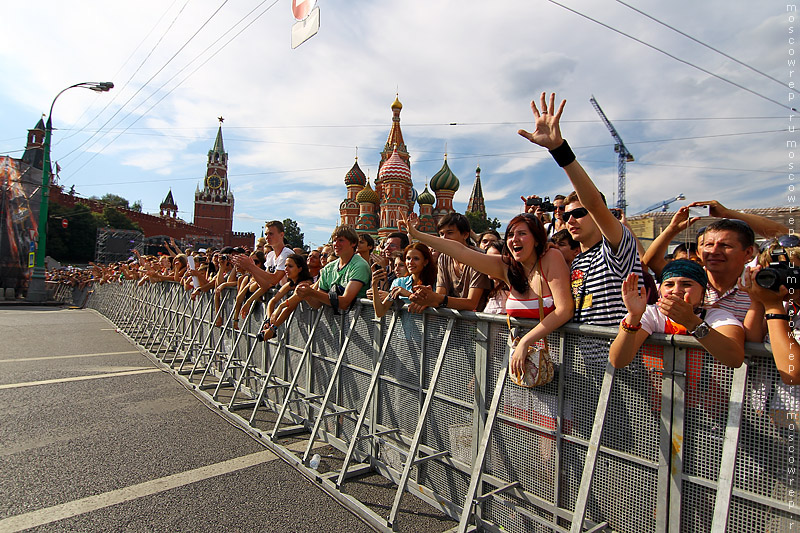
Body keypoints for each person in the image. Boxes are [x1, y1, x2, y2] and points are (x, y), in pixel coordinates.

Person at [518, 92, 642, 327]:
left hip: (616, 360)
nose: (570, 219)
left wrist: (559, 150)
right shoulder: (575, 261)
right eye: (566, 215)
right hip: (581, 362)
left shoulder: (616, 250)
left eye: (579, 213)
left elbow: (594, 202)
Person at [403, 211, 573, 377]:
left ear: (536, 239)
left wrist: (526, 341)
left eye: (522, 233)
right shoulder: (507, 268)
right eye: (511, 234)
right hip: (518, 361)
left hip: (550, 360)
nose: (515, 239)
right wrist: (416, 234)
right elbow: (460, 251)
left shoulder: (551, 257)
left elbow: (564, 310)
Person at [609, 260, 745, 370]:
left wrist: (691, 322)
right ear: (660, 290)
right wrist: (633, 317)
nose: (676, 290)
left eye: (686, 284)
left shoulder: (718, 317)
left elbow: (734, 359)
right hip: (658, 402)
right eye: (669, 284)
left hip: (707, 402)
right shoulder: (651, 314)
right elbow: (618, 361)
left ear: (703, 292)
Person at [408, 213, 493, 313]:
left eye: (450, 233)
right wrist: (427, 298)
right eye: (441, 234)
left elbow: (471, 303)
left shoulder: (478, 258)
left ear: (465, 235)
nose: (444, 238)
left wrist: (436, 299)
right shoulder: (444, 257)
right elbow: (440, 294)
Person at [295, 226, 371, 313]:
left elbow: (344, 302)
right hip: (336, 324)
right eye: (334, 240)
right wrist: (306, 295)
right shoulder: (329, 268)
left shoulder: (360, 266)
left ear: (353, 243)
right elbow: (317, 304)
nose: (336, 244)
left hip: (358, 323)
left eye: (341, 240)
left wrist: (312, 293)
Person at [257, 254, 314, 341]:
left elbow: (289, 307)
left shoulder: (306, 284)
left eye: (290, 266)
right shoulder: (289, 284)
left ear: (300, 269)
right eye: (285, 266)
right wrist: (269, 320)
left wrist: (273, 328)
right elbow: (273, 301)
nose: (286, 269)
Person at [371, 242, 437, 318]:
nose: (410, 262)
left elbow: (437, 309)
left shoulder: (435, 283)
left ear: (425, 262)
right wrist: (374, 285)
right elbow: (380, 312)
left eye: (416, 259)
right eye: (408, 258)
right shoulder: (399, 282)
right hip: (402, 329)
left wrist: (408, 295)